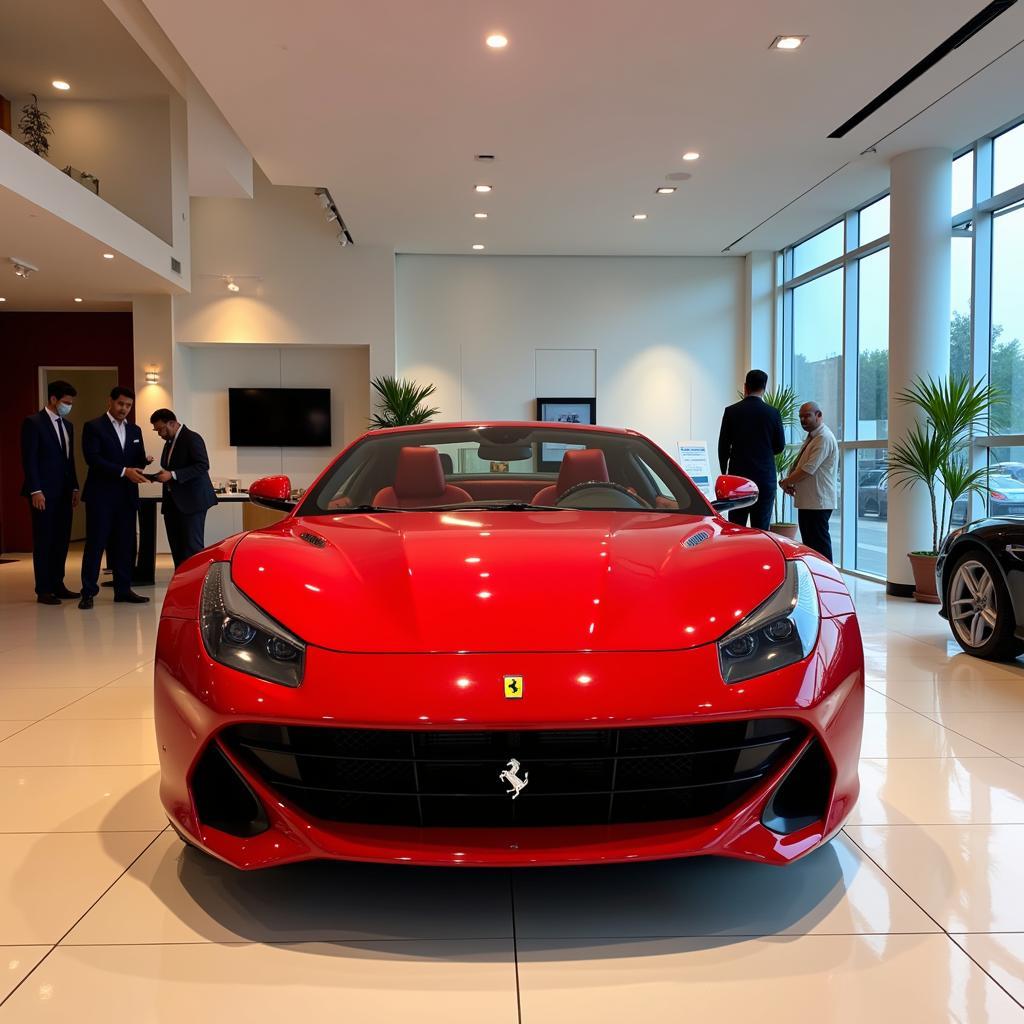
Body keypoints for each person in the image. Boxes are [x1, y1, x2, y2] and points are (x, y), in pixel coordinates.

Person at [79, 386, 151, 608]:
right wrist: (123, 471)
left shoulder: (135, 430)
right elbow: (93, 458)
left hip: (126, 496)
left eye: (128, 405)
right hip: (101, 496)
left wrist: (143, 462)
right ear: (110, 401)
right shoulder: (93, 427)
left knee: (125, 545)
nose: (124, 409)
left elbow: (135, 459)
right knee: (96, 544)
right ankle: (88, 592)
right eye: (120, 404)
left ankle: (123, 589)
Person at [20, 380, 80, 604]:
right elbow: (29, 459)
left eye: (71, 403)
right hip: (43, 493)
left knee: (61, 540)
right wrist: (35, 490)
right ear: (53, 399)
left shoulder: (68, 426)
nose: (68, 406)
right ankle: (43, 589)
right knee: (44, 540)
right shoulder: (33, 423)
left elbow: (69, 461)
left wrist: (74, 486)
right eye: (66, 402)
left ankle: (58, 583)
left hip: (64, 492)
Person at [717, 369, 786, 530]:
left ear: (745, 387)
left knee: (735, 527)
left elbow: (723, 447)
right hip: (765, 478)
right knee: (761, 528)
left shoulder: (731, 411)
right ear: (764, 388)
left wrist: (726, 473)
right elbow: (779, 446)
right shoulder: (773, 413)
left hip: (738, 480)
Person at [149, 409, 218, 568]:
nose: (159, 433)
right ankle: (181, 582)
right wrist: (160, 476)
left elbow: (202, 465)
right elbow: (171, 468)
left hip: (192, 502)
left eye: (160, 429)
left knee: (192, 548)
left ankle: (195, 584)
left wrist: (172, 475)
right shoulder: (169, 442)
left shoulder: (192, 438)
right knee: (177, 548)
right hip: (173, 503)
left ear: (172, 423)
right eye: (157, 430)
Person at [780, 401, 839, 561]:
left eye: (807, 416)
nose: (803, 420)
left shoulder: (823, 438)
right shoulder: (812, 437)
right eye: (800, 417)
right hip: (809, 502)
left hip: (817, 503)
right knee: (811, 546)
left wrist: (787, 482)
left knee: (820, 547)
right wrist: (790, 482)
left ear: (819, 415)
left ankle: (827, 582)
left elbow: (808, 469)